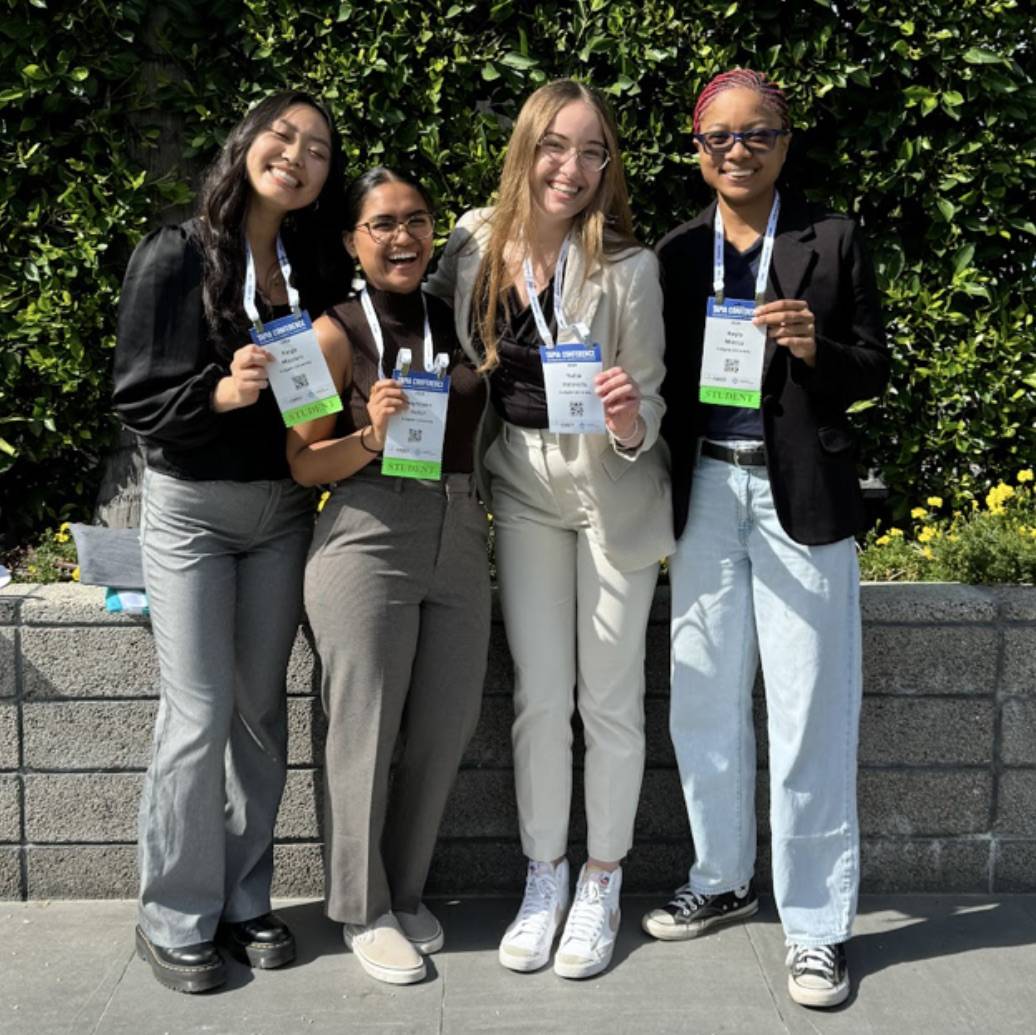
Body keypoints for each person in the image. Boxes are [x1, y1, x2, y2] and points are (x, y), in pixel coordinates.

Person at [643, 69, 889, 1009]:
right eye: (720, 137)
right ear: (698, 149)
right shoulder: (674, 253)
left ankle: (817, 924)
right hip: (705, 485)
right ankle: (722, 875)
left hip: (803, 499)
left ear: (785, 142)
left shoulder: (832, 236)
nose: (737, 151)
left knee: (809, 709)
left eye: (757, 135)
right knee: (702, 697)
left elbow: (874, 366)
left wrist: (818, 347)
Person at [425, 78, 673, 980]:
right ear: (526, 148)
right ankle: (545, 874)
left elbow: (651, 399)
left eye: (592, 151)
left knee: (609, 698)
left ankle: (602, 877)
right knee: (539, 696)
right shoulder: (473, 241)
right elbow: (423, 327)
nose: (573, 167)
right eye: (556, 146)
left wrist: (628, 416)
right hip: (523, 481)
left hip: (612, 487)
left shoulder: (629, 267)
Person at [112, 91, 349, 993]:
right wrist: (215, 393)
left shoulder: (315, 263)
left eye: (318, 149)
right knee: (199, 711)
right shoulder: (175, 252)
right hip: (192, 513)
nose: (297, 155)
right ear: (247, 142)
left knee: (258, 711)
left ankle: (246, 899)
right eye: (283, 136)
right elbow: (136, 394)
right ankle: (173, 914)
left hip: (282, 512)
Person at [288, 167, 490, 986]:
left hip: (459, 529)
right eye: (382, 224)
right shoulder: (330, 332)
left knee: (446, 723)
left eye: (417, 220)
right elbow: (303, 462)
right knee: (363, 726)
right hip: (368, 533)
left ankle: (404, 891)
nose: (403, 237)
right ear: (352, 241)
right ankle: (361, 908)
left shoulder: (455, 318)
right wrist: (369, 436)